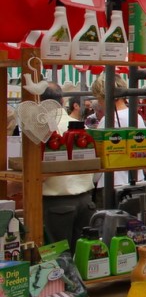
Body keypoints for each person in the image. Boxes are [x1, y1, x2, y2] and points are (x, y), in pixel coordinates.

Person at [41, 82, 95, 249]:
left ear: (39, 101)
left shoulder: (41, 129)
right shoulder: (81, 127)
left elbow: (39, 170)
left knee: (58, 258)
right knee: (83, 256)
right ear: (63, 100)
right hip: (86, 201)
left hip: (57, 204)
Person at [91, 73, 146, 189]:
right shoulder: (137, 117)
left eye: (98, 98)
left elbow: (99, 155)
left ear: (103, 96)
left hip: (113, 182)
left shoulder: (109, 120)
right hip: (137, 179)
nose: (99, 103)